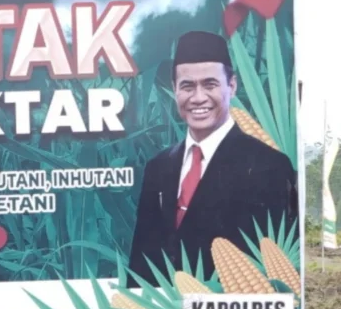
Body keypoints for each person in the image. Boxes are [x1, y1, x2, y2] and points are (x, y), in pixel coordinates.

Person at [126, 30, 300, 285]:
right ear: (174, 89)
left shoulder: (270, 166)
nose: (198, 98)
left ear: (232, 85)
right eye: (187, 86)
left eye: (210, 84)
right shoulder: (158, 167)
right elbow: (141, 263)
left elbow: (280, 264)